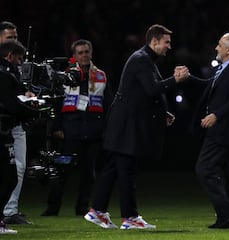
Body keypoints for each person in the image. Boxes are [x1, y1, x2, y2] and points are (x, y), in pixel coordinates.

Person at [84, 24, 189, 230]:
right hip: (126, 125)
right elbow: (151, 89)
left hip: (124, 123)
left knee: (114, 168)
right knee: (126, 170)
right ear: (154, 41)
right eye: (166, 42)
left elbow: (140, 93)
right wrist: (176, 80)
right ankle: (129, 217)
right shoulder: (142, 59)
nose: (170, 46)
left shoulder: (144, 59)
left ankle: (96, 211)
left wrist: (162, 113)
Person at [41, 39, 113, 216]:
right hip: (70, 130)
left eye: (86, 52)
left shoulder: (101, 75)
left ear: (91, 53)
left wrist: (106, 128)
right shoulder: (64, 76)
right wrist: (57, 127)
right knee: (62, 171)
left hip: (93, 130)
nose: (84, 55)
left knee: (88, 174)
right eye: (80, 53)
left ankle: (82, 207)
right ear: (74, 56)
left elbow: (109, 103)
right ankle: (53, 207)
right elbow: (57, 103)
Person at [191, 32, 229, 229]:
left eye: (219, 45)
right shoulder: (227, 68)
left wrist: (216, 115)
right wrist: (187, 79)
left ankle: (227, 212)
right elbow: (210, 87)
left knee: (204, 168)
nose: (216, 48)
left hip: (224, 131)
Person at [0, 40, 38, 234]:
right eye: (19, 58)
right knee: (10, 176)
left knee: (10, 175)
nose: (20, 62)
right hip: (3, 131)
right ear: (9, 56)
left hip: (5, 130)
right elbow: (11, 105)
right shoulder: (5, 75)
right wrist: (33, 110)